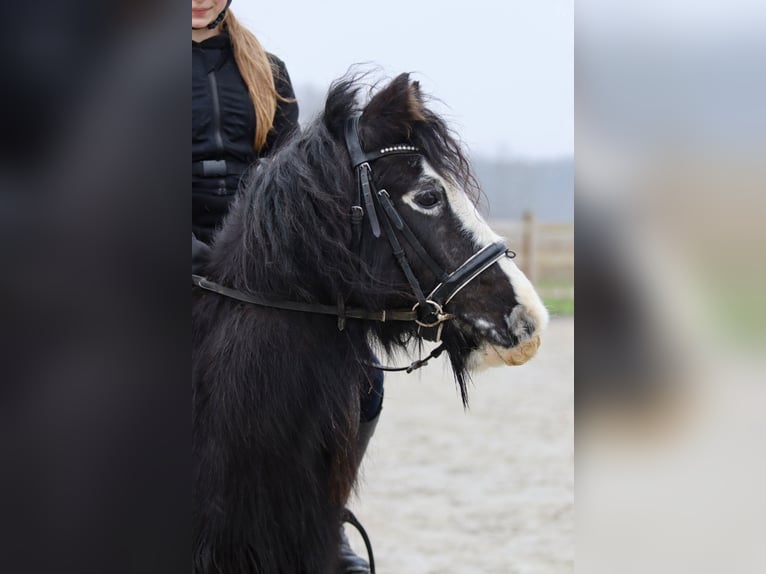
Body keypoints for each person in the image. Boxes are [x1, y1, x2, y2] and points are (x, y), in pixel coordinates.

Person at [192, 3, 380, 572]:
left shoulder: (265, 69)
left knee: (363, 379)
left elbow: (290, 171)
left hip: (249, 254)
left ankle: (327, 519)